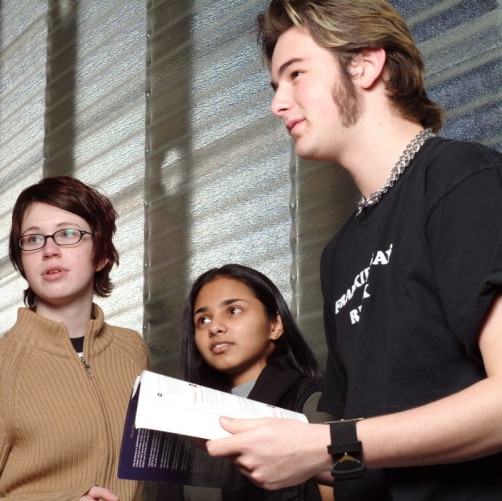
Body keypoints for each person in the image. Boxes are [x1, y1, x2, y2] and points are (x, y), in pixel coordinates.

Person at [205, 1, 502, 499]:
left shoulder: (460, 180)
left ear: (365, 63)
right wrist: (277, 450)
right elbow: (358, 448)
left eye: (295, 74)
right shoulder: (339, 256)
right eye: (275, 86)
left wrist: (323, 445)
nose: (278, 103)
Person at [0, 176, 150, 500]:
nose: (49, 250)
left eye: (68, 234)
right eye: (33, 239)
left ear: (101, 254)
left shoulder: (131, 349)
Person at [159, 264, 332, 501]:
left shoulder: (310, 403)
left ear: (275, 325)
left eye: (233, 310)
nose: (215, 327)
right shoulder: (188, 419)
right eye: (203, 319)